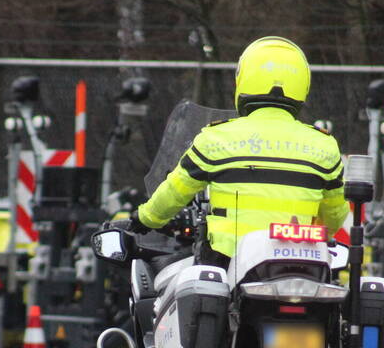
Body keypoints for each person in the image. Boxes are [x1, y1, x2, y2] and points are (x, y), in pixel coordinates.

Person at [131, 36, 349, 268]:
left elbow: (175, 191)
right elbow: (334, 215)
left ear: (243, 79)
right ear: (303, 84)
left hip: (226, 261)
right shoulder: (323, 145)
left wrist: (146, 219)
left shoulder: (216, 138)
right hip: (299, 264)